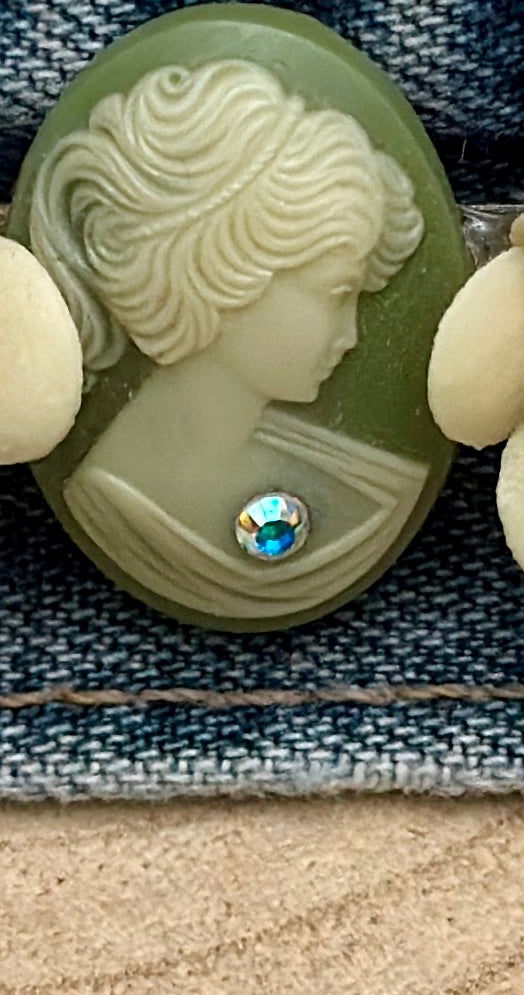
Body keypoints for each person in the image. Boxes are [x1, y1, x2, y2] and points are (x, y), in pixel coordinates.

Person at [25, 55, 426, 623]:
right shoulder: (117, 497)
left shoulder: (369, 482)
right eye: (336, 292)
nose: (351, 335)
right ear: (220, 272)